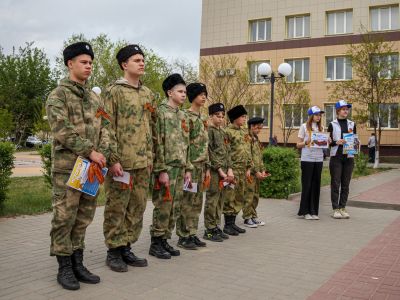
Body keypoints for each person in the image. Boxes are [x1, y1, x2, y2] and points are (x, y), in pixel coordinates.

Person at [46, 42, 110, 290]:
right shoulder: (58, 95)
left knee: (83, 217)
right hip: (68, 168)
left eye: (91, 62)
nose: (89, 66)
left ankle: (77, 262)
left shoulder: (94, 98)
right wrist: (90, 151)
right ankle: (64, 268)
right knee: (64, 217)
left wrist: (102, 152)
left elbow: (105, 127)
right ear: (70, 63)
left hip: (92, 168)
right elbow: (62, 130)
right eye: (84, 62)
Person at [103, 44, 155, 272]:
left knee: (137, 207)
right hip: (121, 163)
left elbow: (151, 128)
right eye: (136, 60)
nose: (142, 63)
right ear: (125, 65)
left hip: (143, 163)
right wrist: (112, 159)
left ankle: (126, 246)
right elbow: (106, 127)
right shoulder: (113, 91)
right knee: (117, 207)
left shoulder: (148, 94)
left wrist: (151, 157)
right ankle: (113, 250)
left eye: (143, 59)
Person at [149, 74, 192, 259]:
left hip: (181, 167)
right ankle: (156, 242)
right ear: (169, 92)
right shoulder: (160, 113)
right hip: (166, 168)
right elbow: (156, 143)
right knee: (163, 205)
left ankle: (166, 239)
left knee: (175, 207)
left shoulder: (183, 115)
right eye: (180, 91)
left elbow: (187, 143)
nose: (184, 95)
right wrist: (161, 170)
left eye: (185, 92)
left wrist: (188, 168)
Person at [176, 83, 210, 249]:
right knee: (187, 201)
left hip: (202, 166)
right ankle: (183, 236)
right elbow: (184, 143)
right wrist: (187, 167)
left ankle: (192, 232)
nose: (203, 97)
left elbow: (205, 144)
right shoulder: (185, 116)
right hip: (190, 165)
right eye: (200, 94)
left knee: (197, 202)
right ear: (192, 96)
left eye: (205, 94)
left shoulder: (203, 119)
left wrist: (208, 166)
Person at [203, 103, 233, 242]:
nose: (220, 119)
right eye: (217, 116)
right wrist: (220, 170)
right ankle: (209, 230)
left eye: (222, 116)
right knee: (212, 200)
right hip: (215, 171)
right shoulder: (210, 131)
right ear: (211, 116)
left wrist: (230, 169)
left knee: (221, 199)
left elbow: (228, 152)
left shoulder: (223, 132)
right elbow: (210, 152)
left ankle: (216, 226)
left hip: (225, 172)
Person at [223, 105, 252, 236]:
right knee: (230, 197)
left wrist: (249, 167)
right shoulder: (227, 131)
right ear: (235, 118)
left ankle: (233, 223)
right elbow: (226, 151)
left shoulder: (244, 131)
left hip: (242, 169)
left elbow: (248, 150)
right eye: (242, 117)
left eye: (245, 116)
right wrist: (229, 169)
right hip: (232, 169)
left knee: (239, 196)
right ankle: (227, 225)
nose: (245, 119)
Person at [328, 100, 356, 219]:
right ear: (338, 111)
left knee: (346, 184)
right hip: (336, 157)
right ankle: (335, 209)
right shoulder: (332, 124)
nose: (346, 111)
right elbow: (327, 142)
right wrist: (336, 142)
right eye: (344, 109)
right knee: (335, 183)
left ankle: (343, 207)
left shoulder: (352, 124)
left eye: (347, 109)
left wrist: (356, 142)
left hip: (349, 157)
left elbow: (354, 138)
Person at [296, 106, 326, 220]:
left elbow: (322, 144)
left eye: (320, 115)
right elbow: (298, 144)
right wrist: (306, 142)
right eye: (317, 114)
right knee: (307, 185)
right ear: (311, 115)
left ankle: (314, 211)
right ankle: (305, 211)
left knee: (316, 185)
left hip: (318, 159)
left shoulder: (322, 128)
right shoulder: (304, 127)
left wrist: (326, 140)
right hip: (307, 159)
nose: (319, 116)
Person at [242, 117, 269, 227]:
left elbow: (259, 156)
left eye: (261, 127)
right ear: (252, 126)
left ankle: (253, 216)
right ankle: (247, 218)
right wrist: (255, 171)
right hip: (250, 173)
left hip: (257, 172)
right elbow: (248, 156)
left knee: (255, 196)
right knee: (249, 195)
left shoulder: (256, 138)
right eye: (258, 127)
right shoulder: (247, 138)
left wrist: (262, 170)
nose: (260, 130)